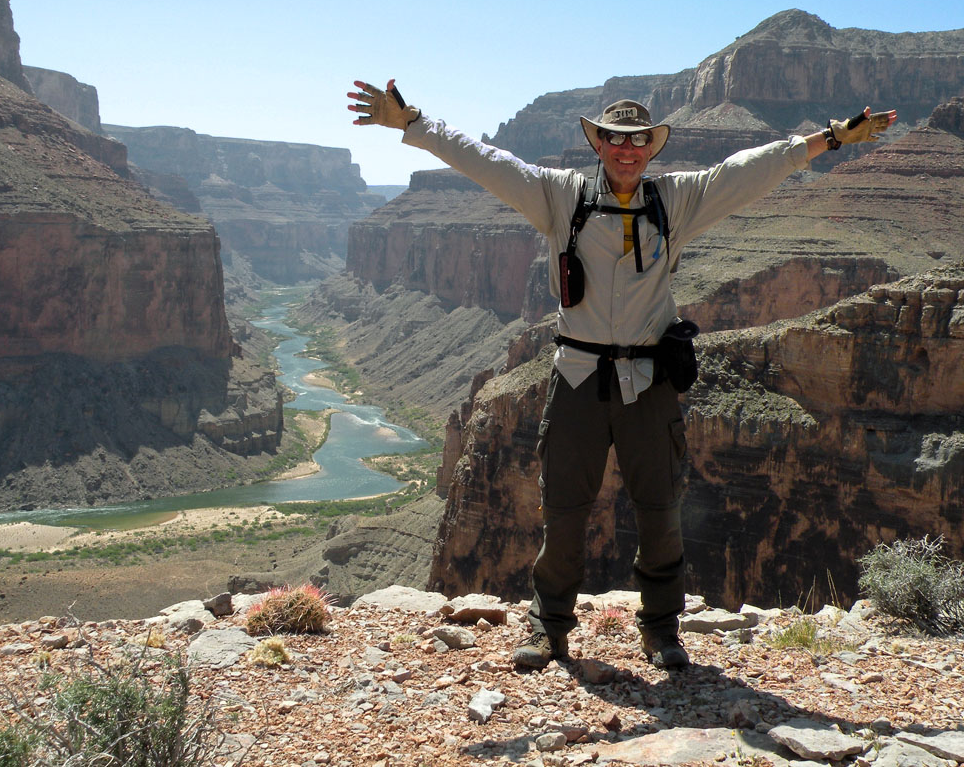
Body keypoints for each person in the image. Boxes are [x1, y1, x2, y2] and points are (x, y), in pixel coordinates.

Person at [348, 79, 896, 671]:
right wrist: (415, 125)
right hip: (579, 378)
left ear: (651, 148)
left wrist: (832, 138)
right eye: (616, 140)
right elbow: (488, 163)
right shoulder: (560, 197)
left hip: (647, 382)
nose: (627, 151)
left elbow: (749, 170)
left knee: (660, 511)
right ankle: (548, 626)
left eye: (638, 142)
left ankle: (661, 630)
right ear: (600, 144)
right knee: (562, 513)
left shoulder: (675, 200)